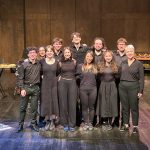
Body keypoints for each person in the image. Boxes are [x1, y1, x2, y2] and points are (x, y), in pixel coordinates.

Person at [119, 44, 144, 134]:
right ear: (126, 52)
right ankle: (126, 124)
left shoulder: (139, 64)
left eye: (131, 51)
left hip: (134, 87)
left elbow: (141, 78)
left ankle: (135, 126)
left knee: (134, 107)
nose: (129, 53)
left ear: (134, 52)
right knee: (125, 107)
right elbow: (119, 75)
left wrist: (141, 90)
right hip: (122, 87)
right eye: (128, 51)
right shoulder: (123, 63)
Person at [17, 47, 41, 132]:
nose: (33, 54)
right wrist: (22, 88)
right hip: (26, 88)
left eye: (34, 52)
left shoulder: (39, 64)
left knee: (34, 108)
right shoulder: (24, 65)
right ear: (28, 55)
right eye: (31, 53)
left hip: (35, 88)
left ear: (36, 54)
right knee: (23, 107)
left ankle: (33, 124)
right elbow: (20, 78)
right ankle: (20, 125)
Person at [69, 32, 89, 126]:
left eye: (78, 37)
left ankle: (82, 118)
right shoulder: (70, 49)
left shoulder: (85, 48)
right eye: (74, 37)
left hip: (83, 76)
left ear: (80, 39)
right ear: (72, 40)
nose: (76, 39)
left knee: (83, 99)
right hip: (73, 75)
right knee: (74, 98)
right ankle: (75, 118)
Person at [96, 50, 118, 131]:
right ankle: (104, 121)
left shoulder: (115, 65)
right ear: (104, 57)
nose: (108, 57)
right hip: (103, 85)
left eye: (109, 56)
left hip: (112, 86)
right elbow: (97, 77)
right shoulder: (100, 65)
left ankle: (110, 121)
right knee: (104, 102)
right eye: (106, 56)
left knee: (111, 102)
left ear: (112, 57)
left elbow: (117, 77)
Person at [40, 45, 59, 131]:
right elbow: (39, 72)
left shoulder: (57, 62)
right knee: (46, 101)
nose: (49, 52)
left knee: (54, 101)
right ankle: (47, 120)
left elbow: (59, 72)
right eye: (47, 51)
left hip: (54, 84)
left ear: (53, 52)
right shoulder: (42, 61)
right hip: (45, 84)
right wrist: (42, 76)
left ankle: (52, 121)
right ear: (45, 53)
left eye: (51, 51)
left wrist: (58, 78)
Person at [58, 47, 77, 132]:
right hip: (63, 83)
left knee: (72, 104)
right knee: (63, 104)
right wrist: (59, 78)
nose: (67, 54)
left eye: (68, 52)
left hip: (72, 83)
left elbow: (76, 73)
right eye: (65, 52)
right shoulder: (60, 62)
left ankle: (72, 124)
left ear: (70, 53)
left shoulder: (74, 61)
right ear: (63, 54)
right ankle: (64, 123)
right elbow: (57, 73)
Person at [77, 51, 97, 131]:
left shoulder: (95, 67)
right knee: (84, 107)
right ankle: (86, 123)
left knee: (91, 107)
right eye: (88, 56)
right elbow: (77, 77)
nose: (89, 58)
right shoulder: (81, 66)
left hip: (93, 89)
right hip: (83, 90)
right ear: (85, 57)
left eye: (91, 57)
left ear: (93, 58)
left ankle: (91, 123)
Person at [113, 37, 128, 128]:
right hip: (115, 81)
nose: (121, 46)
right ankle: (116, 120)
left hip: (125, 81)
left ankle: (124, 121)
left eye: (123, 44)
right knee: (116, 102)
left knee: (125, 103)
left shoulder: (129, 55)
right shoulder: (114, 55)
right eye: (120, 44)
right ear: (117, 46)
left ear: (125, 46)